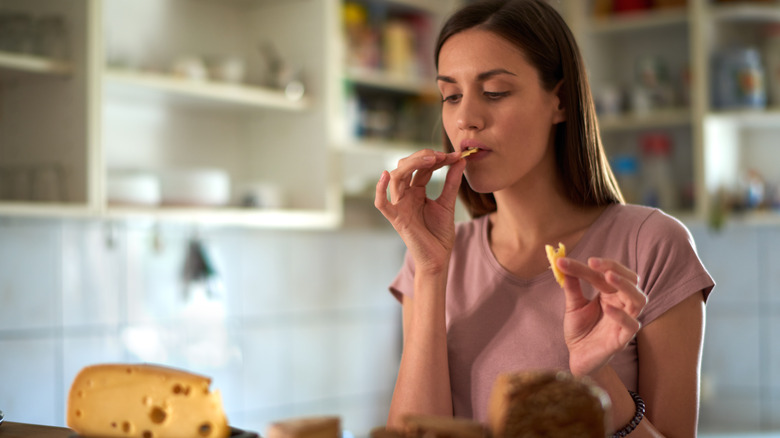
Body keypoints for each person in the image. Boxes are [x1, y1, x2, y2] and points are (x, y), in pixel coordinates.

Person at [373, 0, 715, 436]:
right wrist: (431, 268)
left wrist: (596, 377)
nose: (465, 118)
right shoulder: (432, 260)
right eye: (451, 95)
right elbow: (414, 432)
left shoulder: (652, 245)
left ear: (561, 101)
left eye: (494, 91)